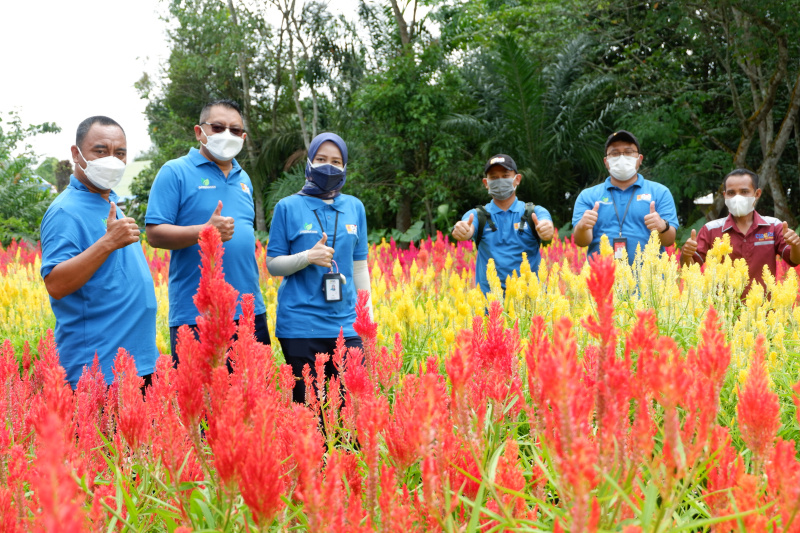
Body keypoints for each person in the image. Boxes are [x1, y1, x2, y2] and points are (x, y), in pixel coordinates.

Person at [145, 99, 269, 363]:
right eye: (218, 127)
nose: (227, 135)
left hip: (248, 310)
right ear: (199, 132)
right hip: (198, 314)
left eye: (235, 130)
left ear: (243, 137)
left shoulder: (244, 178)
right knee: (202, 401)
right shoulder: (175, 172)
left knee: (255, 397)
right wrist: (205, 231)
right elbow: (154, 234)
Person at [40, 116, 158, 388]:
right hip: (98, 372)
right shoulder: (64, 211)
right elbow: (56, 284)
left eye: (120, 153)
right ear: (76, 154)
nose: (112, 160)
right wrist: (107, 243)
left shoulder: (110, 201)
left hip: (137, 363)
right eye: (101, 151)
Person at [266, 132, 370, 404]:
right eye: (321, 159)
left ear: (345, 166)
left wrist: (366, 318)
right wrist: (307, 257)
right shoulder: (287, 207)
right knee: (310, 413)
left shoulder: (355, 207)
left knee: (351, 412)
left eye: (336, 161)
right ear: (309, 162)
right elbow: (273, 265)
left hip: (346, 324)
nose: (329, 166)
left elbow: (359, 268)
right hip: (300, 325)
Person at [451, 154, 554, 295]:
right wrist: (463, 231)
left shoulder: (534, 212)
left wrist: (546, 229)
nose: (499, 181)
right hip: (490, 306)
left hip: (530, 305)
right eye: (493, 177)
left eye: (505, 176)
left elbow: (546, 224)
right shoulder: (476, 215)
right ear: (486, 183)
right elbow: (467, 227)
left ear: (517, 179)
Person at [681, 168, 800, 287]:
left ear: (757, 194)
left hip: (764, 304)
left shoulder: (773, 226)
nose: (737, 198)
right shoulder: (711, 229)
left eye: (744, 192)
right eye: (731, 193)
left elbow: (795, 260)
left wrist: (796, 245)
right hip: (723, 304)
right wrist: (686, 254)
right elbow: (690, 269)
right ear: (725, 195)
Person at [572, 130, 678, 263]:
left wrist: (662, 227)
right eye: (615, 153)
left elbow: (669, 241)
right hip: (603, 279)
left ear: (639, 159)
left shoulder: (660, 192)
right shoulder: (588, 196)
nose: (622, 157)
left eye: (628, 152)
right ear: (606, 161)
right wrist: (582, 227)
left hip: (649, 281)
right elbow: (581, 242)